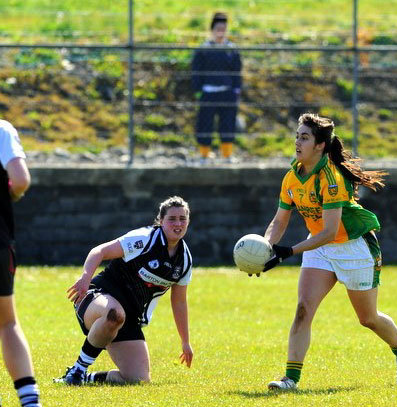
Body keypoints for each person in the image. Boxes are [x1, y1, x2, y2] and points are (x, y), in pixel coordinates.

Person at [257, 113, 397, 390]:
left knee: (368, 319)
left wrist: (288, 251)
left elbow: (330, 232)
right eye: (297, 135)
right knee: (303, 309)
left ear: (319, 145)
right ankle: (290, 379)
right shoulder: (292, 177)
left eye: (304, 137)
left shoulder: (330, 177)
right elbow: (280, 220)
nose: (297, 141)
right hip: (320, 248)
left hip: (354, 246)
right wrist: (265, 247)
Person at [56, 196, 193, 385]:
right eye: (172, 219)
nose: (177, 223)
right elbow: (100, 251)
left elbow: (179, 302)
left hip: (127, 317)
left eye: (182, 219)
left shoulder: (184, 261)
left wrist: (185, 342)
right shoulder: (144, 239)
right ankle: (78, 370)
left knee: (138, 379)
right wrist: (85, 278)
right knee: (115, 313)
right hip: (95, 298)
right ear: (161, 221)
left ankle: (88, 379)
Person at [0, 120, 42, 406]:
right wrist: (12, 193)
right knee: (7, 322)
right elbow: (21, 179)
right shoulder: (2, 129)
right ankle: (29, 400)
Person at [192, 11, 242, 163]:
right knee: (205, 124)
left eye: (223, 28)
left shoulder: (231, 49)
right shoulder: (203, 49)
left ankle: (227, 155)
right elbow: (196, 71)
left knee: (227, 123)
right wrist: (197, 91)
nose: (221, 31)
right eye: (218, 28)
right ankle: (204, 155)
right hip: (208, 92)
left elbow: (237, 71)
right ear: (212, 29)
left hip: (227, 93)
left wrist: (236, 90)